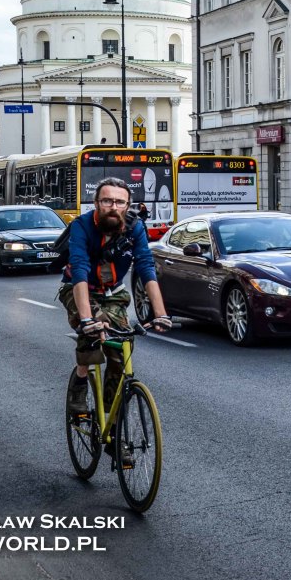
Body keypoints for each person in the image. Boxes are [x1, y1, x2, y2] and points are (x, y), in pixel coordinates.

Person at [62, 177, 171, 417]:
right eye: (107, 201)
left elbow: (145, 267)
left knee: (119, 353)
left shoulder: (135, 228)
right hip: (79, 289)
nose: (113, 207)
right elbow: (79, 268)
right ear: (96, 203)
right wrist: (86, 319)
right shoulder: (82, 226)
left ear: (128, 205)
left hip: (114, 293)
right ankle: (80, 381)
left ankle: (112, 422)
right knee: (94, 327)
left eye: (120, 202)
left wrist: (161, 313)